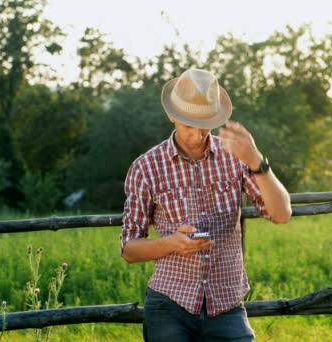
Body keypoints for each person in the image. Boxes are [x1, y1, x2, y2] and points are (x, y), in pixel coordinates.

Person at [120, 68, 292, 341]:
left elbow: (281, 214)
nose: (197, 135)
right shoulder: (146, 168)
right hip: (169, 306)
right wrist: (172, 243)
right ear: (171, 115)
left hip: (226, 308)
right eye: (189, 125)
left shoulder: (235, 157)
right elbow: (129, 248)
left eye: (204, 125)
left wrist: (257, 161)